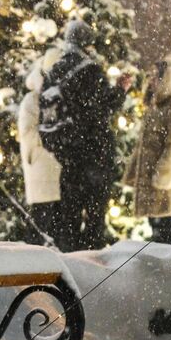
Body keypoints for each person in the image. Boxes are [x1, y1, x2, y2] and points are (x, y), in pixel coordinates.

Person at [38, 19, 130, 252]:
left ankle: (69, 260)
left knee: (69, 212)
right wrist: (120, 90)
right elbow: (101, 108)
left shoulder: (54, 72)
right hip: (94, 154)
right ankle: (90, 264)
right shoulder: (89, 70)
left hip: (67, 155)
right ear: (87, 43)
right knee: (94, 214)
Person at [122, 58, 171, 245]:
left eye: (156, 75)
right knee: (157, 228)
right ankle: (164, 269)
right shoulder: (155, 106)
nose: (151, 79)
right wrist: (133, 174)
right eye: (150, 75)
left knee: (167, 228)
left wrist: (162, 177)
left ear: (167, 78)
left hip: (165, 184)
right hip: (151, 181)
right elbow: (143, 146)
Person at [17, 50, 63, 247]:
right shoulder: (32, 99)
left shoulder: (61, 97)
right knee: (41, 225)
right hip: (41, 168)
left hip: (59, 171)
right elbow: (28, 132)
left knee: (58, 227)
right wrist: (52, 143)